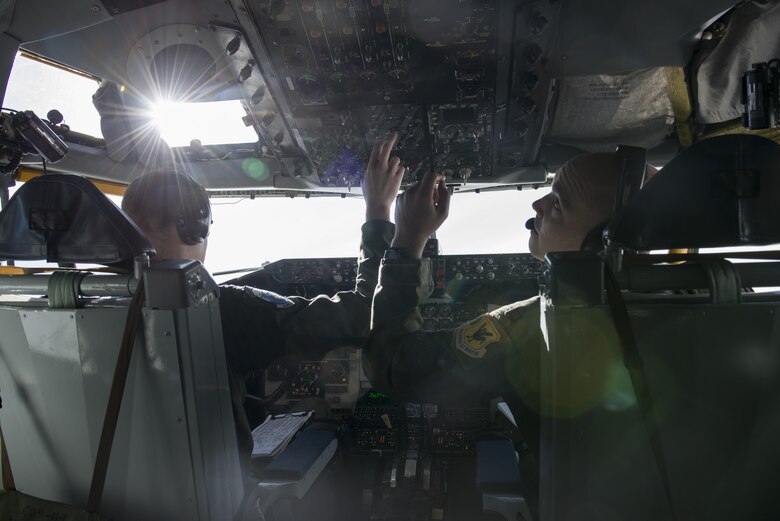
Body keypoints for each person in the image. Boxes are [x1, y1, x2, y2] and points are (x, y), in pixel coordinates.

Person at [121, 133, 407, 481]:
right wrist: (378, 211)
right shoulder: (220, 310)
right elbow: (364, 315)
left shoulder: (70, 307)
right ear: (194, 225)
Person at [362, 152, 625, 448]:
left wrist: (407, 238)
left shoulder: (537, 323)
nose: (538, 205)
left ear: (605, 242)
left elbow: (394, 366)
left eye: (559, 204)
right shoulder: (677, 308)